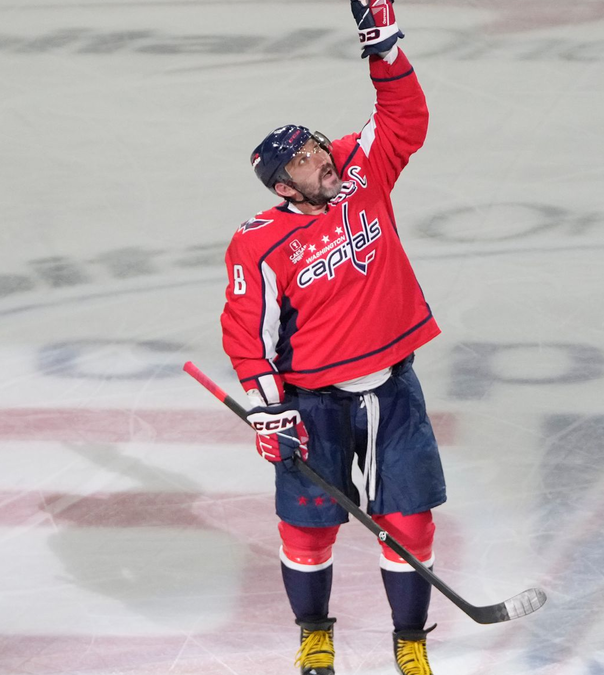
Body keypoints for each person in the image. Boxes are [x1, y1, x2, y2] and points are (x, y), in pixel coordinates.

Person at [219, 2, 446, 674]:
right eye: (307, 160)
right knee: (309, 525)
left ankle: (410, 644)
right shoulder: (259, 244)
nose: (323, 158)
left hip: (392, 386)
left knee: (410, 523)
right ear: (284, 185)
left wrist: (384, 48)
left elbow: (406, 120)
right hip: (312, 402)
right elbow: (246, 335)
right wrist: (267, 410)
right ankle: (314, 632)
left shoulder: (359, 171)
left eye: (319, 146)